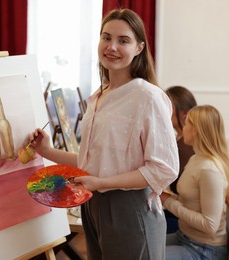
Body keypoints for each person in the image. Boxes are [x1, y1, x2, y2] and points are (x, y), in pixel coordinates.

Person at [30, 8, 179, 260]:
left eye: (123, 41)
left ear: (139, 48)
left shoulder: (148, 97)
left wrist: (101, 183)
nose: (112, 47)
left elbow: (163, 169)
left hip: (130, 209)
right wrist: (47, 151)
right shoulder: (99, 96)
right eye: (106, 37)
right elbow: (93, 162)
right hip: (94, 204)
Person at [160, 105, 229, 260]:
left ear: (195, 130)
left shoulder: (209, 170)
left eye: (187, 123)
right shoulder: (196, 159)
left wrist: (169, 202)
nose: (182, 128)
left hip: (204, 249)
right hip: (184, 236)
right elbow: (192, 202)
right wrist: (170, 197)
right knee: (141, 246)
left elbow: (210, 225)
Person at [164, 86, 197, 234]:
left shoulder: (185, 145)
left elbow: (176, 188)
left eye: (167, 108)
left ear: (184, 115)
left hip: (182, 219)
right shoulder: (180, 140)